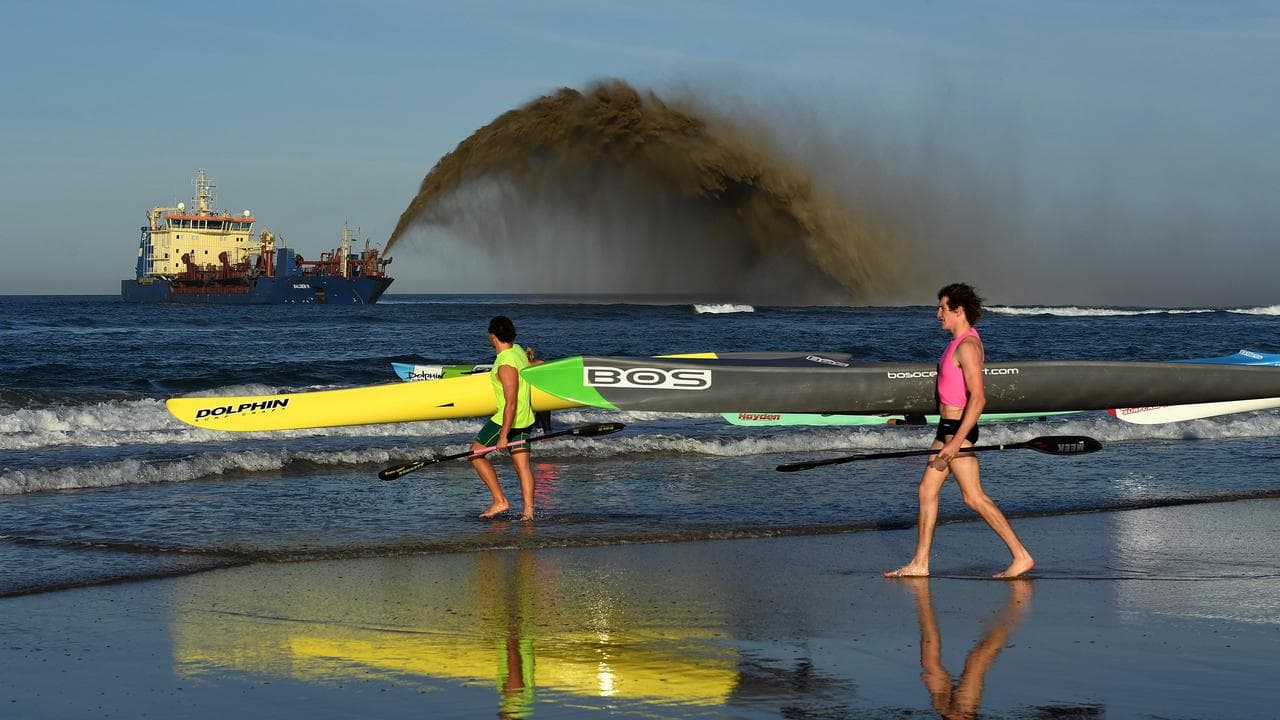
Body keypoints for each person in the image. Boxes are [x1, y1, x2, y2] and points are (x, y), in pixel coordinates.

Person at [885, 283, 1035, 579]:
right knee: (927, 491)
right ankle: (920, 563)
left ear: (958, 310)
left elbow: (978, 398)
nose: (937, 313)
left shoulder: (967, 346)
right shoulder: (957, 343)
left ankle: (1021, 555)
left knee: (973, 497)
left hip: (957, 432)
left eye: (942, 307)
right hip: (946, 428)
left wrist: (955, 444)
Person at [471, 315, 538, 520]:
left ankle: (500, 501)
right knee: (522, 467)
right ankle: (528, 512)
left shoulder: (505, 364)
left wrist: (503, 436)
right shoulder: (517, 351)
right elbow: (532, 365)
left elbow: (510, 402)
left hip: (505, 420)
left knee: (475, 454)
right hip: (525, 417)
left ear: (492, 336)